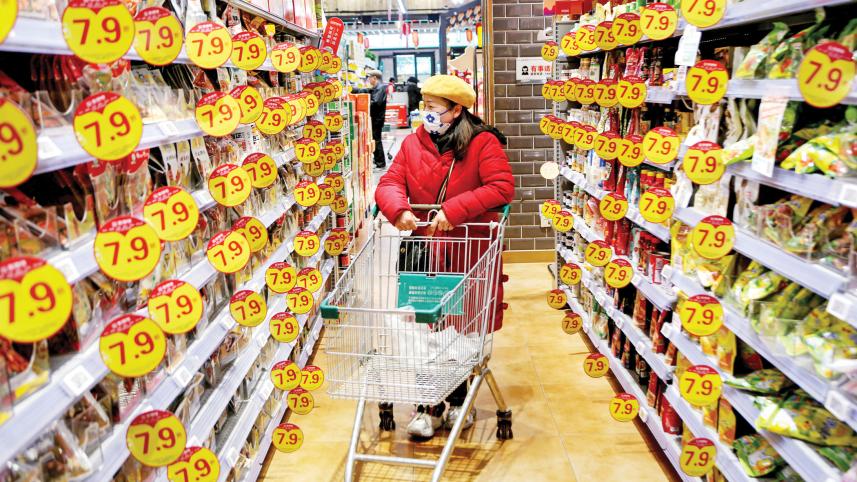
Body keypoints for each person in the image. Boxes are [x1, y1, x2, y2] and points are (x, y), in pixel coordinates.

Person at [375, 74, 514, 439]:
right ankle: (429, 404)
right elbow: (390, 182)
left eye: (434, 107)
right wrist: (398, 210)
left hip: (467, 251)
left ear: (456, 110)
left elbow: (501, 187)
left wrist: (453, 211)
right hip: (423, 252)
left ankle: (456, 398)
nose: (427, 113)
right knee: (425, 328)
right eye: (425, 105)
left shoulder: (483, 143)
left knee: (460, 330)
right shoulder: (412, 144)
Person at [354, 69, 388, 169]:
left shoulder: (381, 88)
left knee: (376, 140)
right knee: (375, 139)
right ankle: (378, 161)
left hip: (377, 119)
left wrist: (362, 104)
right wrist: (355, 90)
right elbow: (369, 91)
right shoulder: (377, 87)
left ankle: (380, 163)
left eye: (369, 78)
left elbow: (376, 102)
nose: (368, 80)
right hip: (375, 118)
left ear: (374, 78)